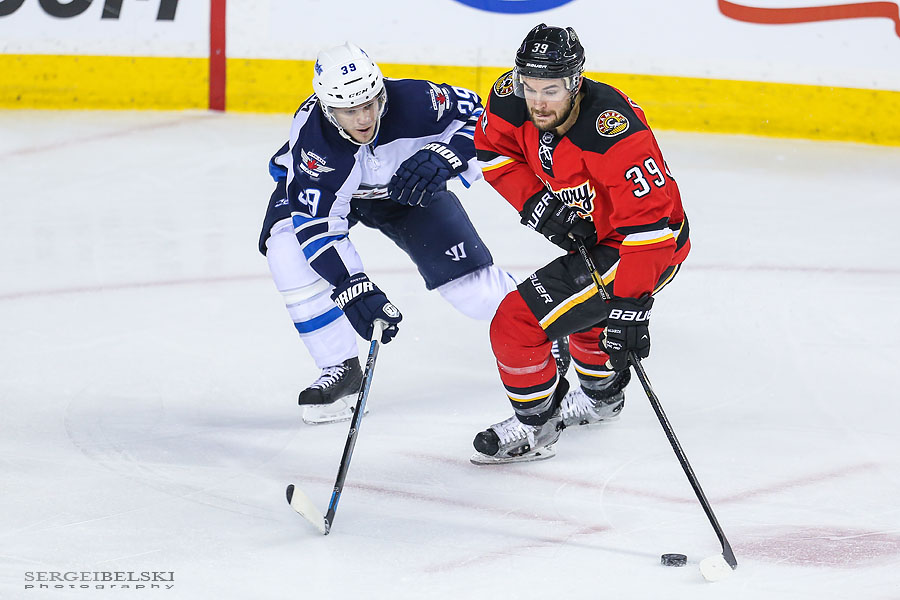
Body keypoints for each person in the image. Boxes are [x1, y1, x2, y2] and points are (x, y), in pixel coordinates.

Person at [258, 42, 524, 424]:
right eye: (349, 111)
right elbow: (317, 227)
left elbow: (484, 120)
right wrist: (353, 287)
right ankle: (341, 369)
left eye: (370, 104)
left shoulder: (418, 100)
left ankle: (544, 324)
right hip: (337, 197)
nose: (364, 118)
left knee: (471, 291)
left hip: (407, 188)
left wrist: (445, 156)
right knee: (288, 253)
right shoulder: (316, 144)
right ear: (327, 109)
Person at [470, 24, 690, 463]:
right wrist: (536, 203)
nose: (537, 101)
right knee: (589, 323)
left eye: (551, 89)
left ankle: (537, 424)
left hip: (644, 248)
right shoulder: (510, 99)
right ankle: (601, 400)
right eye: (529, 86)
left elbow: (650, 231)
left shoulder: (612, 131)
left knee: (516, 323)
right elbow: (492, 151)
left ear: (575, 82)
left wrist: (632, 305)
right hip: (596, 239)